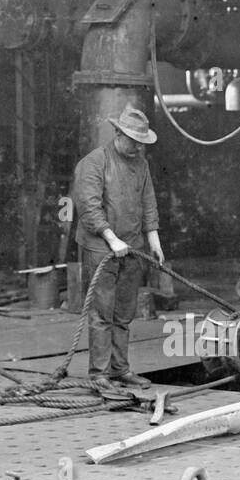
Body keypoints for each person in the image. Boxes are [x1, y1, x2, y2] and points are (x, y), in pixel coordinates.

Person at [72, 107, 165, 391]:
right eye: (134, 140)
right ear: (118, 134)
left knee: (124, 313)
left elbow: (148, 202)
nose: (138, 146)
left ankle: (120, 369)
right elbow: (90, 208)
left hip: (133, 249)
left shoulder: (141, 165)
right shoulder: (94, 163)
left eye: (142, 142)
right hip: (101, 249)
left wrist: (154, 242)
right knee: (102, 313)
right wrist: (112, 239)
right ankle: (99, 373)